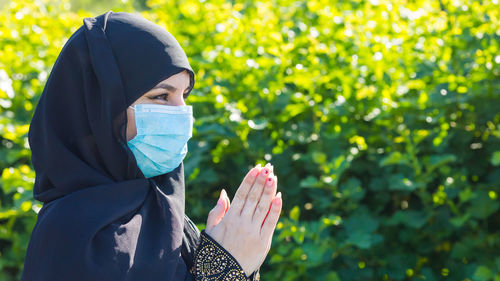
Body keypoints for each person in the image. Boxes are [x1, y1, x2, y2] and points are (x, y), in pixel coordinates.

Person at [21, 11, 282, 281]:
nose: (182, 112)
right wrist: (224, 269)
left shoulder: (164, 213)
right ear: (100, 109)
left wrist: (234, 261)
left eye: (184, 95)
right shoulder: (69, 236)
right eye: (161, 96)